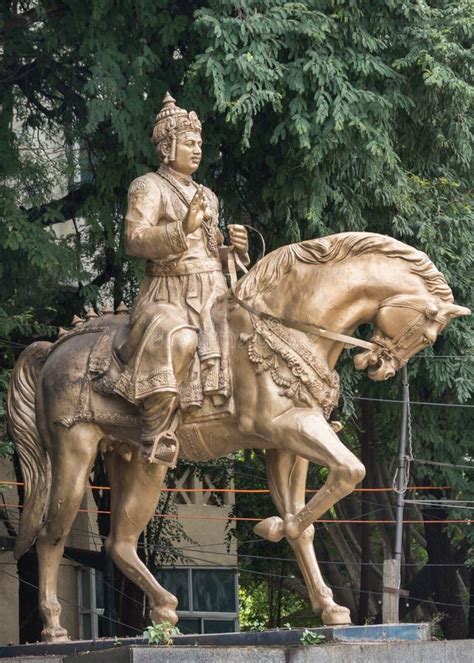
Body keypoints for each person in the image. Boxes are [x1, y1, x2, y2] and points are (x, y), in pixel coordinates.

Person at [114, 92, 249, 463]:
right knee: (182, 340)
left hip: (212, 290)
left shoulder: (207, 194)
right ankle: (156, 431)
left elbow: (207, 250)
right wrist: (181, 226)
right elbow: (134, 239)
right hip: (166, 292)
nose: (196, 149)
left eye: (199, 143)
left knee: (253, 336)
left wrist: (234, 250)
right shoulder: (148, 186)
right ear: (167, 147)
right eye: (189, 143)